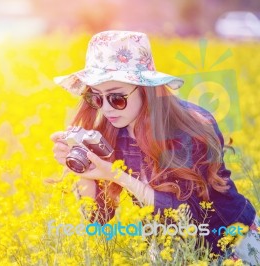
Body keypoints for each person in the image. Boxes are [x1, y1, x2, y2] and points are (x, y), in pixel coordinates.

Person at [50, 30, 259, 264]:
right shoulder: (111, 132)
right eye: (96, 98)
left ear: (146, 89)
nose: (106, 109)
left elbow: (188, 215)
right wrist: (84, 170)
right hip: (173, 251)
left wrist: (117, 175)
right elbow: (97, 220)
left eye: (116, 98)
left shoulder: (188, 128)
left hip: (231, 244)